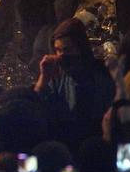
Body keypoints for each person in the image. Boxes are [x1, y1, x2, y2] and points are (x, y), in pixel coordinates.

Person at [34, 17, 115, 150]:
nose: (62, 56)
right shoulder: (58, 78)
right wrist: (43, 78)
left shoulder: (101, 75)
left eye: (67, 50)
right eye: (58, 50)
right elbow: (37, 108)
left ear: (80, 48)